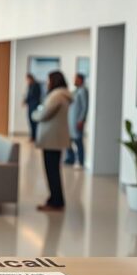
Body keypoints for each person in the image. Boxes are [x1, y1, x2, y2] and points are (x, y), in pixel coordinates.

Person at [32, 71, 72, 212]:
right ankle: (54, 199)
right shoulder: (63, 95)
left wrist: (34, 114)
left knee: (52, 171)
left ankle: (56, 201)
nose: (47, 83)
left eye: (49, 80)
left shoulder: (57, 96)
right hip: (54, 139)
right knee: (53, 170)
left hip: (51, 139)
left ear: (54, 81)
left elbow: (44, 113)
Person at [65, 73, 88, 169]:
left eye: (76, 79)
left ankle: (81, 162)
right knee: (68, 140)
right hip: (71, 121)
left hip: (77, 121)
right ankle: (70, 159)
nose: (74, 81)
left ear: (81, 80)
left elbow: (85, 107)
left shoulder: (83, 91)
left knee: (78, 141)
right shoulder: (76, 91)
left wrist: (81, 120)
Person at [23, 73, 42, 142]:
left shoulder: (36, 85)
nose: (27, 81)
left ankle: (35, 137)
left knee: (34, 122)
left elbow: (33, 96)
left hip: (34, 106)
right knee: (31, 121)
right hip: (30, 105)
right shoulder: (30, 86)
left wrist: (26, 100)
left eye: (27, 79)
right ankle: (33, 136)